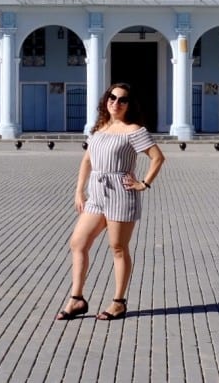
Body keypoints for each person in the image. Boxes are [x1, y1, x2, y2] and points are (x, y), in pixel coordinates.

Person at [56, 82, 165, 322]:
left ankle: (118, 302)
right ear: (106, 100)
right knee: (78, 243)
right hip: (96, 194)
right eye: (112, 97)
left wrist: (143, 184)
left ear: (129, 104)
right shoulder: (100, 127)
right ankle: (77, 299)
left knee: (117, 247)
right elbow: (87, 160)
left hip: (121, 194)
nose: (116, 103)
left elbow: (158, 158)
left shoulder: (134, 130)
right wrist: (78, 191)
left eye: (122, 100)